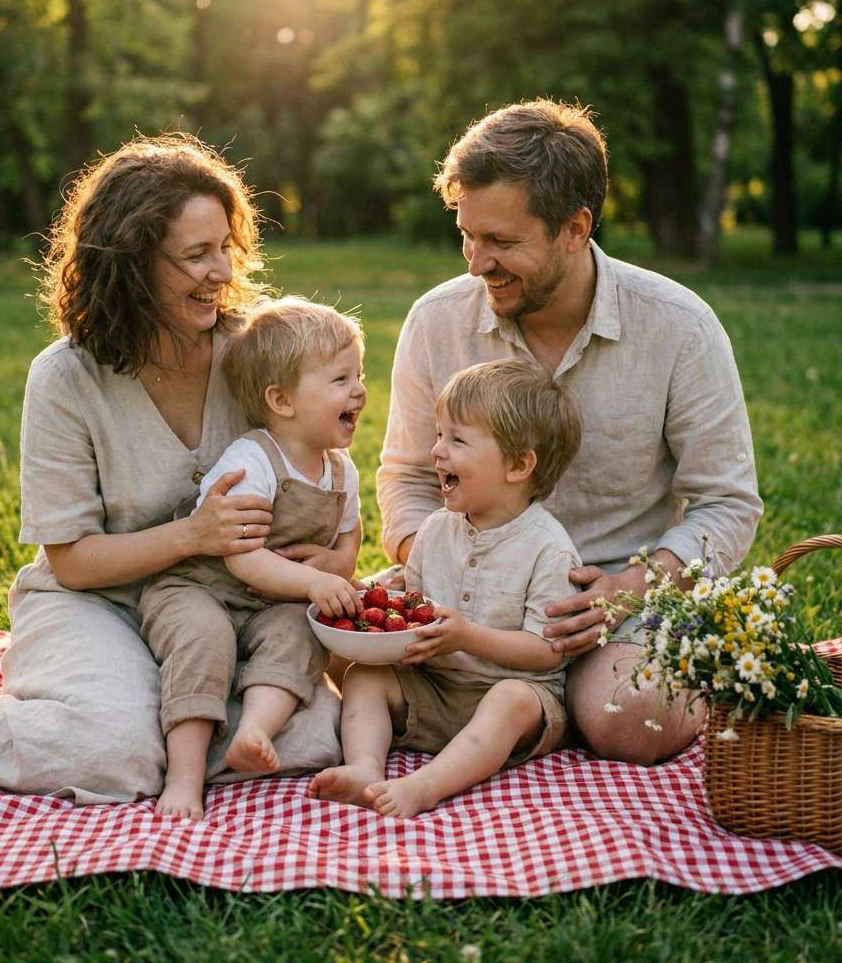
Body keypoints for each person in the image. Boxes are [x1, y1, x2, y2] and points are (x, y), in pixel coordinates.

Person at [0, 135, 342, 802]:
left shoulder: (254, 355)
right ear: (132, 265)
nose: (223, 272)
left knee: (322, 732)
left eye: (225, 247)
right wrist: (193, 537)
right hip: (99, 603)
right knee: (115, 755)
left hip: (230, 604)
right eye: (196, 256)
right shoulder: (64, 378)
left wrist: (311, 557)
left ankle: (158, 729)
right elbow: (74, 562)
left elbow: (320, 461)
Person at [376, 99, 763, 765]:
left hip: (612, 610)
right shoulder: (436, 321)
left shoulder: (678, 327)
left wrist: (629, 591)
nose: (476, 262)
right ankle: (530, 715)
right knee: (331, 661)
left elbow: (726, 503)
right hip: (463, 596)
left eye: (502, 242)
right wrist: (425, 562)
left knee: (635, 719)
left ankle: (549, 709)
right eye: (467, 235)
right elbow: (405, 479)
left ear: (575, 228)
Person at [310, 359, 581, 817]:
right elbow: (412, 608)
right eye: (439, 434)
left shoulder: (548, 549)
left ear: (518, 465)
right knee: (365, 675)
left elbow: (548, 651)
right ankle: (364, 767)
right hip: (435, 688)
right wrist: (367, 601)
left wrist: (469, 637)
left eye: (456, 439)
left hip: (510, 699)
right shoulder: (436, 529)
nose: (437, 451)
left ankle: (426, 786)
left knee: (511, 701)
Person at [140, 297, 367, 819]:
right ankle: (184, 777)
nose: (358, 389)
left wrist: (338, 565)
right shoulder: (252, 460)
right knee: (206, 638)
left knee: (300, 633)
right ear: (282, 401)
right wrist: (311, 583)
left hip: (271, 602)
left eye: (359, 374)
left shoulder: (341, 470)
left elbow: (349, 540)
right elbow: (240, 558)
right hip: (199, 589)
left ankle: (254, 731)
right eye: (340, 379)